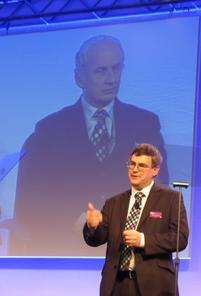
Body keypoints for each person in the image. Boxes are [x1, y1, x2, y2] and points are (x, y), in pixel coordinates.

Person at [9, 35, 169, 256]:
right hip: (65, 249)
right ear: (79, 77)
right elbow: (32, 203)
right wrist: (73, 220)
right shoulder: (48, 132)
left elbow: (161, 192)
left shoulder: (145, 125)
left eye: (116, 68)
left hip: (128, 251)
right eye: (101, 71)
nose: (111, 79)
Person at [84, 143, 188, 296]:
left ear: (155, 170)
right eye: (132, 164)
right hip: (116, 285)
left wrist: (143, 240)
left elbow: (180, 238)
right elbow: (96, 240)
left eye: (142, 165)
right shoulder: (114, 202)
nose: (135, 169)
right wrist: (92, 227)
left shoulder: (171, 199)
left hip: (154, 286)